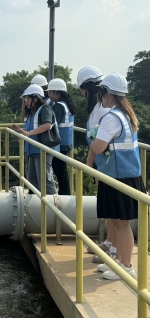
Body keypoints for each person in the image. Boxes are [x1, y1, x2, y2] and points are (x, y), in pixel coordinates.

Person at [89, 73, 145, 280]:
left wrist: (94, 135)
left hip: (118, 178)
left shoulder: (112, 118)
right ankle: (120, 263)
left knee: (121, 224)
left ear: (107, 94)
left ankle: (126, 267)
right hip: (124, 175)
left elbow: (98, 146)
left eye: (101, 93)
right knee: (118, 222)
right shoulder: (126, 115)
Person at [78, 66, 114, 263]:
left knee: (110, 205)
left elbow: (97, 139)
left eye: (83, 89)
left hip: (104, 161)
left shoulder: (102, 110)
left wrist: (89, 163)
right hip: (101, 160)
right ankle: (109, 242)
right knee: (105, 202)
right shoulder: (97, 108)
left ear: (88, 88)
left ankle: (113, 247)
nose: (82, 94)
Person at [11, 84, 59, 195]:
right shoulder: (32, 112)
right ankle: (38, 207)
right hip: (32, 150)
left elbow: (47, 125)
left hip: (41, 150)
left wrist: (28, 133)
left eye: (27, 99)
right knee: (32, 180)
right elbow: (31, 129)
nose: (25, 101)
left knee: (45, 180)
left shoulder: (44, 109)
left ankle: (54, 206)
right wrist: (19, 130)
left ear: (35, 99)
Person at [47, 78, 76, 195]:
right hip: (67, 142)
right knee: (62, 171)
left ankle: (65, 194)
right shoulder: (66, 105)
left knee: (59, 171)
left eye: (50, 92)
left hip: (59, 144)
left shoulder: (58, 107)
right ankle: (66, 193)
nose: (48, 94)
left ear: (57, 93)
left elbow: (53, 125)